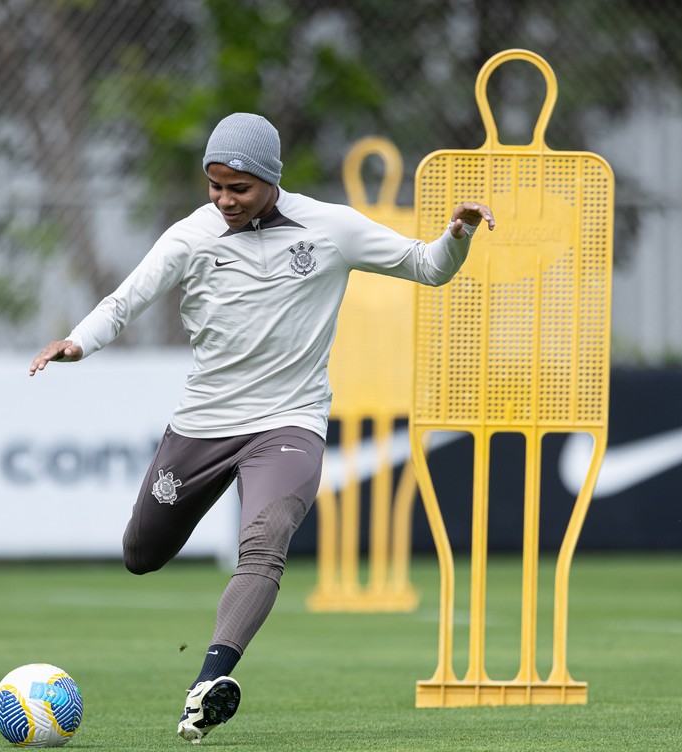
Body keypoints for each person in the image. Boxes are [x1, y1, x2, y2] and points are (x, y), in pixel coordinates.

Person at [29, 112, 495, 743]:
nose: (224, 200)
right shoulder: (191, 236)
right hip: (203, 423)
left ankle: (209, 681)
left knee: (265, 540)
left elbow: (427, 267)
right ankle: (195, 635)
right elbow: (126, 301)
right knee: (142, 554)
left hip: (290, 422)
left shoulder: (330, 228)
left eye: (238, 188)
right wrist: (77, 344)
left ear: (272, 179)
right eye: (214, 185)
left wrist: (457, 234)